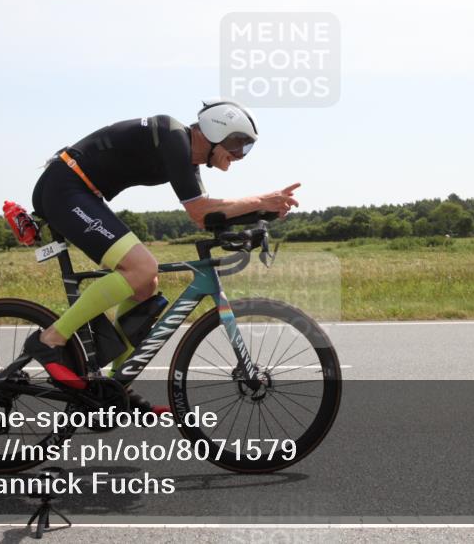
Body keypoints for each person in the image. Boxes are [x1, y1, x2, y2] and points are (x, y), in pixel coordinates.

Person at [24, 100, 300, 412]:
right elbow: (200, 211)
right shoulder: (173, 137)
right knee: (142, 267)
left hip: (83, 193)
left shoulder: (187, 159)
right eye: (238, 144)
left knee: (146, 285)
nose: (239, 155)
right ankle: (50, 339)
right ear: (215, 131)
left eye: (246, 148)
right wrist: (261, 200)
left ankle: (116, 386)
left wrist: (262, 214)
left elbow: (207, 216)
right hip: (64, 188)